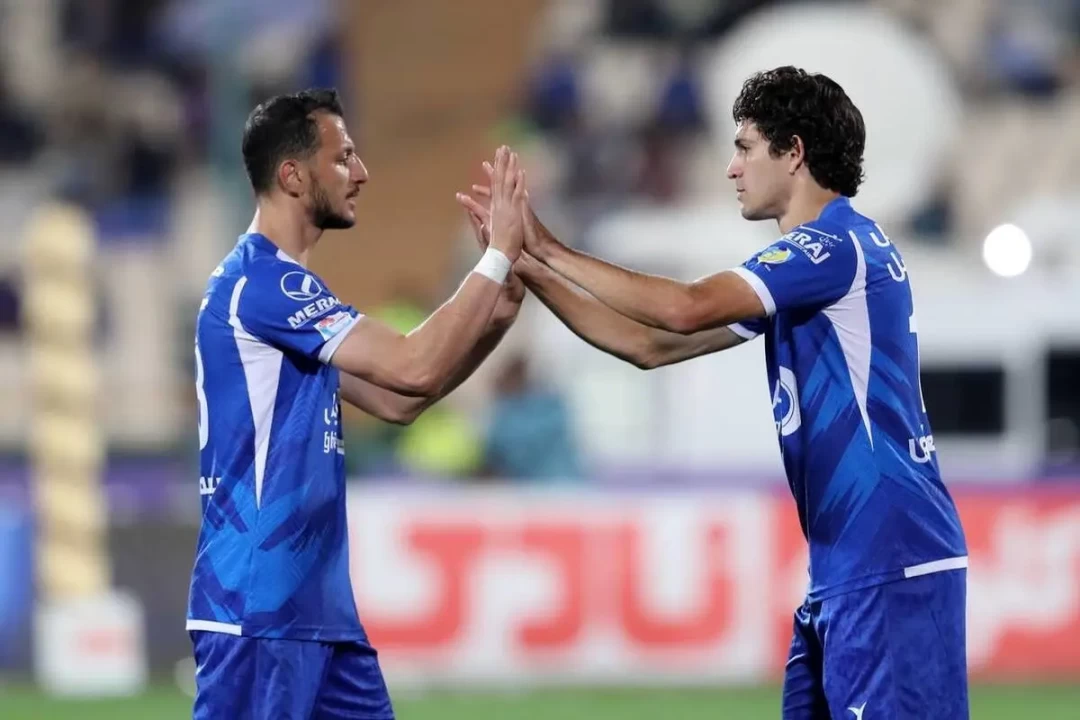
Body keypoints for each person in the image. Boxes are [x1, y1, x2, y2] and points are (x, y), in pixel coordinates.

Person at [459, 66, 969, 719]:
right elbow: (648, 345)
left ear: (793, 152)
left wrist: (547, 245)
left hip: (889, 558)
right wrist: (523, 263)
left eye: (746, 147)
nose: (732, 168)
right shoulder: (814, 268)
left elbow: (683, 308)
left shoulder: (831, 248)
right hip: (852, 565)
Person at [187, 88, 527, 719]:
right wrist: (496, 258)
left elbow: (402, 399)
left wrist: (498, 313)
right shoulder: (262, 284)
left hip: (319, 615)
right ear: (293, 176)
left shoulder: (284, 290)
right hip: (258, 609)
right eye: (343, 157)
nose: (362, 172)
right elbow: (412, 363)